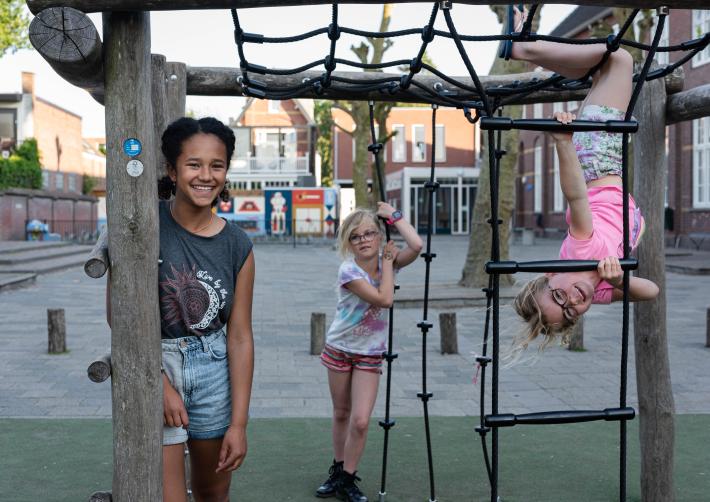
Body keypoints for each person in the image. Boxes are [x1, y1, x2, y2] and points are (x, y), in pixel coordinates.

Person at [108, 117, 255, 501]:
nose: (206, 175)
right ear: (172, 171)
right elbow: (118, 315)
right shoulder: (142, 225)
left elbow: (240, 337)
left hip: (214, 373)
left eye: (216, 165)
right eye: (193, 164)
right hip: (156, 364)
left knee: (212, 494)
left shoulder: (238, 245)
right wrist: (156, 382)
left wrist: (239, 424)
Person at [504, 6, 659, 348]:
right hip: (602, 156)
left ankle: (523, 48)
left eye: (559, 297)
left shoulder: (580, 250)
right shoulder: (601, 289)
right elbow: (651, 291)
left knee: (619, 59)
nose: (573, 302)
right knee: (603, 67)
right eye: (572, 313)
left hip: (597, 155)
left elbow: (576, 196)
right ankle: (528, 45)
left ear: (551, 274)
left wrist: (563, 143)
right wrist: (617, 282)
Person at [316, 203, 422, 502]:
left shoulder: (388, 262)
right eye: (355, 236)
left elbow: (416, 245)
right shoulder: (348, 270)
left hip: (369, 353)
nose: (363, 240)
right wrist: (388, 264)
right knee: (341, 413)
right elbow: (384, 299)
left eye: (369, 233)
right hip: (340, 348)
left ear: (379, 236)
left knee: (360, 420)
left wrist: (395, 216)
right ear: (348, 243)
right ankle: (338, 470)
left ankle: (348, 479)